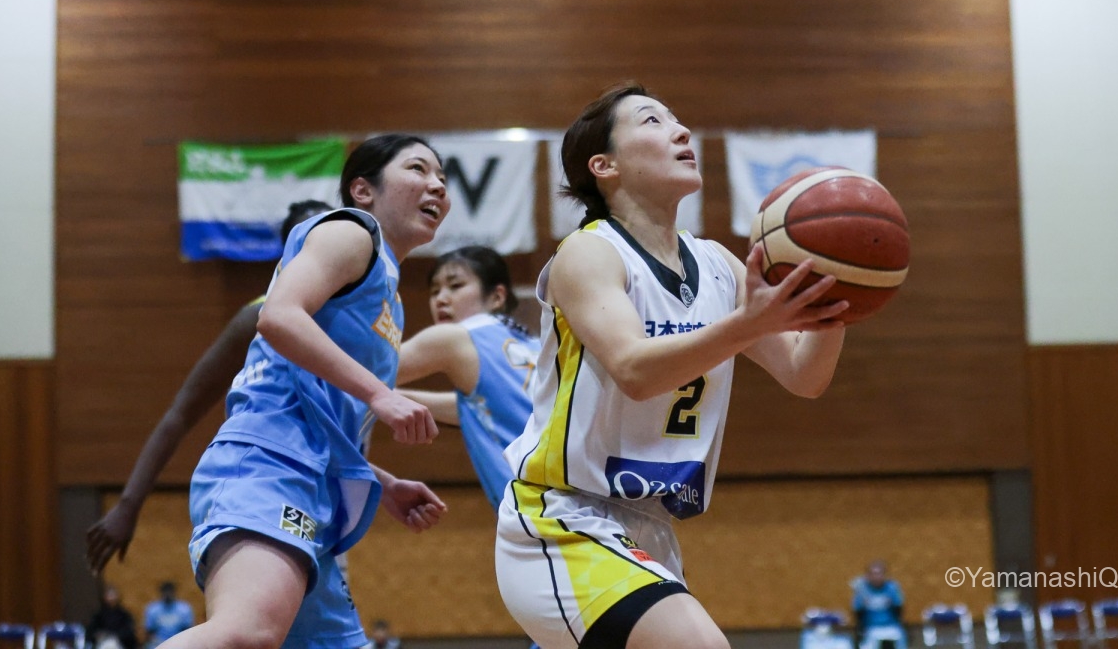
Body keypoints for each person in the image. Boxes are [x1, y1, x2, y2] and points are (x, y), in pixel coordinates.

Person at [494, 83, 849, 649]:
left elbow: (805, 377)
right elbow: (635, 370)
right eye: (652, 121)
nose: (681, 131)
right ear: (604, 165)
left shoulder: (717, 265)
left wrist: (838, 299)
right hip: (563, 519)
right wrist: (750, 323)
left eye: (677, 120)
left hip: (652, 529)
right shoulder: (589, 252)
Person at [157, 133, 452, 649]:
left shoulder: (389, 298)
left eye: (443, 178)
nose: (437, 186)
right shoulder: (352, 232)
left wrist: (380, 482)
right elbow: (278, 317)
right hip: (268, 466)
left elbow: (318, 405)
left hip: (316, 486)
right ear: (363, 189)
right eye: (418, 169)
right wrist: (381, 395)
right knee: (246, 633)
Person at [85, 199, 334, 576]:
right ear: (291, 255)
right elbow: (181, 412)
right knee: (257, 609)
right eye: (314, 239)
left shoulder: (360, 317)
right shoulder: (260, 316)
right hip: (264, 487)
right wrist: (128, 504)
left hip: (323, 497)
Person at [396, 245, 540, 510]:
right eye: (435, 291)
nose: (441, 299)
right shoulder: (532, 344)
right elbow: (493, 409)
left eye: (455, 286)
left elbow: (362, 374)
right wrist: (392, 399)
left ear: (496, 297)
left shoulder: (455, 336)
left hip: (537, 506)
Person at [851, 559, 907, 649]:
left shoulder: (892, 587)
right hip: (871, 627)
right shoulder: (862, 590)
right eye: (873, 574)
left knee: (899, 636)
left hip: (891, 626)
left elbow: (899, 607)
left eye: (879, 574)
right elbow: (857, 611)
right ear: (868, 576)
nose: (876, 577)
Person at [86, 585, 139, 649]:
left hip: (120, 643)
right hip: (102, 643)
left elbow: (129, 631)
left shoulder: (124, 615)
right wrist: (98, 635)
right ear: (104, 597)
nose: (111, 598)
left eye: (113, 595)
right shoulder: (98, 615)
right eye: (109, 595)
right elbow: (91, 631)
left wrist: (115, 636)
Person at [143, 581, 194, 647]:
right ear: (161, 593)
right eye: (165, 592)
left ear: (174, 592)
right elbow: (149, 631)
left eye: (169, 592)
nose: (167, 594)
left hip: (179, 643)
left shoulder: (184, 609)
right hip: (158, 643)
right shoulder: (153, 609)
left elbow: (188, 630)